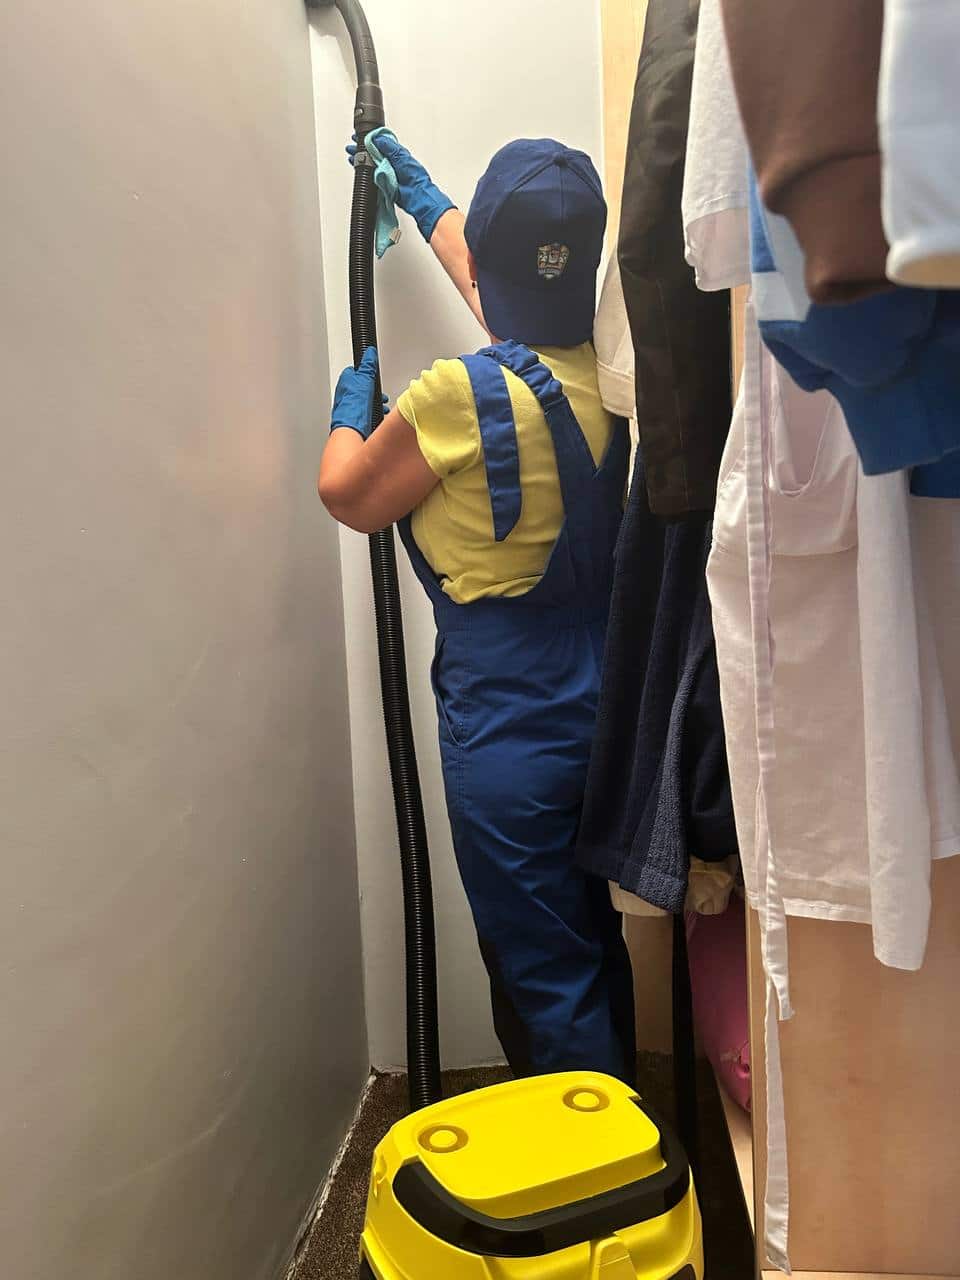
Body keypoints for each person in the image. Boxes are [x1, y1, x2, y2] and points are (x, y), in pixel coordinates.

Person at [319, 132, 636, 1084]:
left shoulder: (456, 394)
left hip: (509, 726)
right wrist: (423, 198)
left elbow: (350, 497)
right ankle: (631, 1123)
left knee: (543, 970)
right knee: (593, 941)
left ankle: (588, 1162)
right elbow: (502, 279)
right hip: (605, 709)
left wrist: (349, 415)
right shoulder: (610, 369)